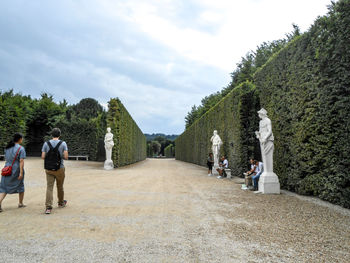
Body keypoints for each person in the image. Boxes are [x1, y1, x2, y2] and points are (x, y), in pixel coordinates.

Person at [41, 128, 68, 215]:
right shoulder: (63, 143)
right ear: (59, 135)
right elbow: (66, 157)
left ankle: (48, 207)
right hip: (59, 168)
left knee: (49, 187)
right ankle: (60, 203)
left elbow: (42, 156)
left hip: (48, 168)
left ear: (51, 135)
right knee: (60, 186)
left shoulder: (46, 143)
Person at [0, 133, 27, 212]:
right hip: (16, 169)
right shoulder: (21, 149)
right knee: (20, 185)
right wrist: (21, 173)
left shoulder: (7, 148)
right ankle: (20, 203)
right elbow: (21, 161)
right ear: (19, 139)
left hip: (7, 168)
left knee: (4, 187)